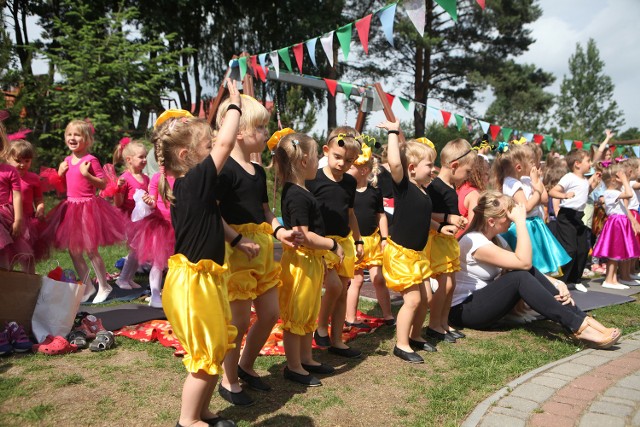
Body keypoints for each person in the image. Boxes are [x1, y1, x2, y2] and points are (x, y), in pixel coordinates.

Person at [154, 79, 240, 427]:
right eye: (207, 147)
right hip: (193, 284)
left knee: (215, 347)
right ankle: (187, 421)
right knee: (205, 355)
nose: (214, 150)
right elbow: (227, 140)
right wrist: (234, 103)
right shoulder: (193, 181)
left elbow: (214, 223)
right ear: (187, 156)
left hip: (203, 280)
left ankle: (203, 412)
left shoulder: (191, 187)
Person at [449, 190, 621, 350]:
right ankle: (577, 326)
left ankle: (581, 320)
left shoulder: (497, 239)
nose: (511, 219)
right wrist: (521, 223)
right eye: (508, 216)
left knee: (523, 273)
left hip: (483, 303)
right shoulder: (474, 242)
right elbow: (523, 264)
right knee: (520, 276)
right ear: (491, 221)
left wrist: (556, 282)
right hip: (464, 311)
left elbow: (527, 267)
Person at [215, 95, 302, 405]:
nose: (267, 133)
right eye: (261, 127)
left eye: (267, 127)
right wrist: (237, 241)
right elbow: (214, 214)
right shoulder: (222, 170)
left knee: (270, 313)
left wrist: (281, 231)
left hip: (261, 250)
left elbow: (265, 211)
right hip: (235, 252)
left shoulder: (257, 170)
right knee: (237, 323)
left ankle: (246, 365)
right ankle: (228, 379)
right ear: (238, 130)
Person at [379, 120, 456, 363]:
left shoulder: (424, 191)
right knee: (412, 299)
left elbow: (424, 220)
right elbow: (394, 162)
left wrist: (440, 227)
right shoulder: (403, 186)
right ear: (411, 168)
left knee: (426, 298)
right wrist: (393, 131)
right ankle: (401, 345)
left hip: (418, 255)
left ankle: (414, 336)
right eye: (429, 165)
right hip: (401, 254)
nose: (433, 170)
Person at [275, 132, 343, 387]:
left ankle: (306, 358)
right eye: (316, 157)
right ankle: (293, 366)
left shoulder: (301, 190)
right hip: (300, 263)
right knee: (296, 314)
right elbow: (303, 236)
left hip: (310, 262)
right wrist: (332, 244)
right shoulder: (296, 194)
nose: (319, 163)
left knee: (308, 311)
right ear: (304, 161)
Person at [43, 120, 125, 303]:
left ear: (87, 140)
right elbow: (63, 186)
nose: (72, 138)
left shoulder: (90, 160)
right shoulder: (66, 161)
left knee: (90, 249)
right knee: (73, 251)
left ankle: (104, 285)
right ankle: (87, 286)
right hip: (71, 207)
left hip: (88, 208)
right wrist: (59, 173)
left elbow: (103, 184)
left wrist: (87, 174)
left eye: (77, 135)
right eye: (69, 134)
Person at [307, 126, 363, 358]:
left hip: (345, 242)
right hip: (323, 243)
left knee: (342, 292)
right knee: (333, 286)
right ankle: (320, 327)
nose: (342, 164)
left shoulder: (350, 183)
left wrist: (359, 240)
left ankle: (337, 339)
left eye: (349, 161)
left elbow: (350, 213)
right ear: (326, 150)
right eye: (337, 157)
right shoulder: (314, 180)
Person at [425, 138, 476, 345]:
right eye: (467, 171)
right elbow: (426, 214)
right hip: (437, 240)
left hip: (448, 242)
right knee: (444, 285)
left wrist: (457, 220)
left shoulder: (451, 186)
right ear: (454, 166)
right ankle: (434, 324)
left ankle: (444, 323)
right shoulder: (435, 187)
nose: (468, 176)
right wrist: (448, 219)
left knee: (451, 284)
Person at [493, 142, 570, 276]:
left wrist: (537, 182)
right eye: (531, 162)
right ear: (519, 167)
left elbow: (545, 200)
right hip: (523, 226)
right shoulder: (512, 183)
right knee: (530, 263)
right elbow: (526, 207)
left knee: (540, 264)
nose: (534, 165)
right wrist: (538, 192)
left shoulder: (524, 180)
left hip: (533, 225)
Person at [345, 142, 394, 328]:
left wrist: (384, 238)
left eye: (353, 166)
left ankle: (388, 314)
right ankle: (350, 317)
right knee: (356, 279)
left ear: (364, 170)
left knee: (378, 278)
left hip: (373, 241)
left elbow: (381, 216)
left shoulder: (375, 192)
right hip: (354, 241)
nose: (348, 169)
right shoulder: (347, 192)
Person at [548, 149, 601, 293]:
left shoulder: (584, 179)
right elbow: (552, 192)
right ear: (577, 164)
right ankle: (559, 281)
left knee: (583, 249)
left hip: (578, 216)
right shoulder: (569, 177)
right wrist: (564, 195)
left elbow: (583, 194)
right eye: (588, 161)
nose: (590, 163)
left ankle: (575, 279)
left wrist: (593, 185)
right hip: (566, 217)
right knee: (570, 249)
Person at [591, 163, 640, 289]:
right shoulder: (610, 192)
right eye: (620, 176)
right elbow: (629, 194)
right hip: (616, 223)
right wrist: (625, 181)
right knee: (614, 254)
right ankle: (609, 280)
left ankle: (612, 279)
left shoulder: (615, 192)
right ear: (614, 179)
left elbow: (625, 207)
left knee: (617, 254)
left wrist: (633, 222)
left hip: (621, 222)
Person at [112, 138, 149, 290]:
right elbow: (118, 203)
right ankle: (122, 279)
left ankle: (129, 277)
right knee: (135, 248)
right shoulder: (125, 178)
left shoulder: (145, 178)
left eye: (145, 156)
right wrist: (118, 189)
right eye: (141, 157)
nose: (145, 160)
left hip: (143, 219)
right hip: (129, 219)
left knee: (140, 250)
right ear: (129, 159)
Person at [6, 139, 46, 271]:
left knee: (27, 256)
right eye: (18, 161)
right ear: (8, 158)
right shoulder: (5, 176)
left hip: (27, 223)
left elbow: (38, 199)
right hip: (8, 221)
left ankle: (29, 282)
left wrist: (40, 209)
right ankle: (7, 283)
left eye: (27, 161)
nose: (22, 165)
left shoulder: (34, 178)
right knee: (8, 255)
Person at [0, 124, 28, 270]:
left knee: (3, 252)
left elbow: (17, 195)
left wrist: (18, 219)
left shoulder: (9, 171)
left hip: (3, 216)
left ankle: (6, 284)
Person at [456, 154, 489, 238]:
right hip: (465, 239)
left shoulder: (462, 187)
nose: (488, 178)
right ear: (477, 174)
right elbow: (474, 225)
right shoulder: (474, 194)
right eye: (486, 174)